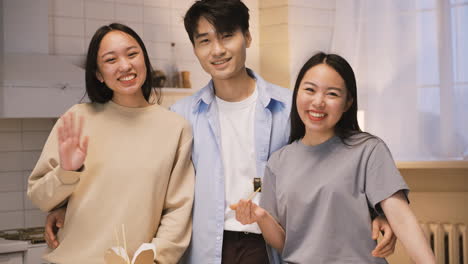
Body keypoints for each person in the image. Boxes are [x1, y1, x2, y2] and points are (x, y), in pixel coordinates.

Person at [44, 1, 398, 263]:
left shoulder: (291, 106)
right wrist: (64, 204)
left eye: (227, 36)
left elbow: (338, 159)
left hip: (273, 245)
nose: (217, 50)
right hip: (206, 249)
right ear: (195, 49)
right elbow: (144, 186)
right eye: (204, 41)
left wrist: (377, 210)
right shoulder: (179, 118)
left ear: (247, 36)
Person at [233, 52, 436, 263]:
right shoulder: (278, 162)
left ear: (348, 102)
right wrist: (261, 216)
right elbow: (288, 244)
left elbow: (402, 218)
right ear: (297, 94)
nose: (318, 102)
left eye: (332, 94)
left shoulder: (368, 150)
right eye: (310, 90)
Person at [27, 23, 194, 264]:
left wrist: (156, 258)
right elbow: (39, 197)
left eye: (132, 54)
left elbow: (178, 209)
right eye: (110, 59)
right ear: (98, 74)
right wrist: (67, 171)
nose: (125, 65)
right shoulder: (77, 118)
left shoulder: (175, 128)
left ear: (144, 60)